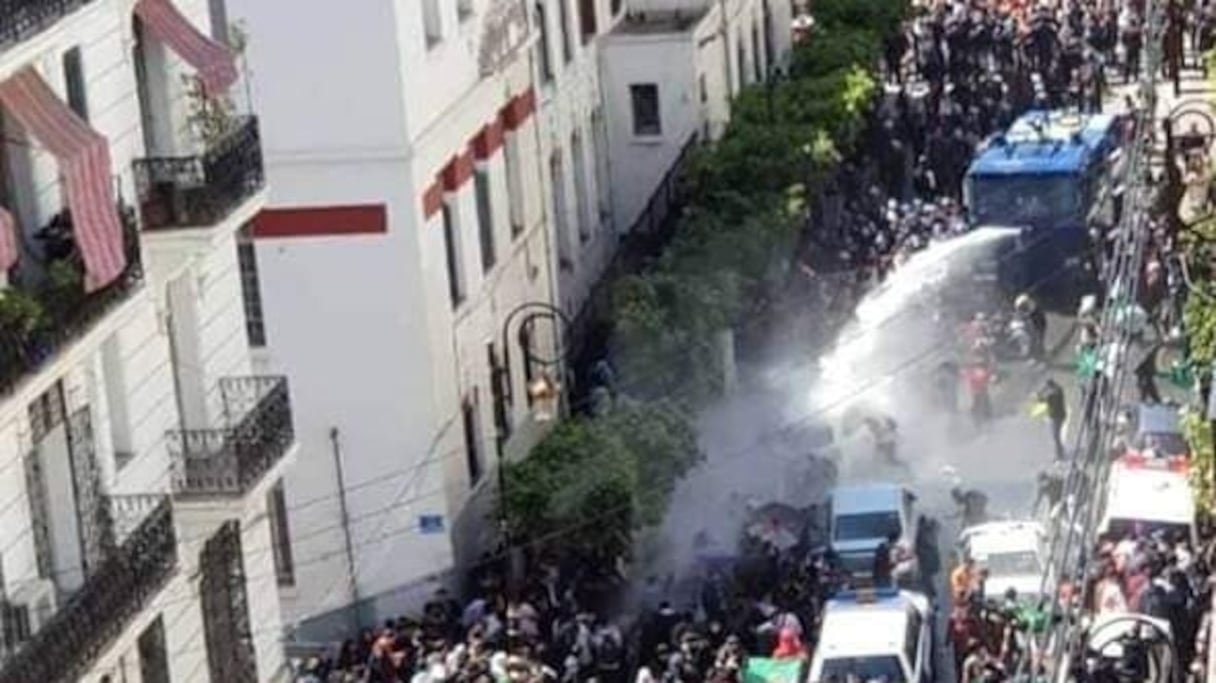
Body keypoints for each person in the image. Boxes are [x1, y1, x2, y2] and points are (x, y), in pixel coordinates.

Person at [1036, 379, 1067, 460]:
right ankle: (1060, 451)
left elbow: (1040, 400)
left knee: (1055, 436)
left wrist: (1041, 390)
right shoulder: (1059, 390)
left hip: (1055, 417)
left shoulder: (1051, 395)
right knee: (1057, 435)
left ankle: (1059, 454)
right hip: (1061, 415)